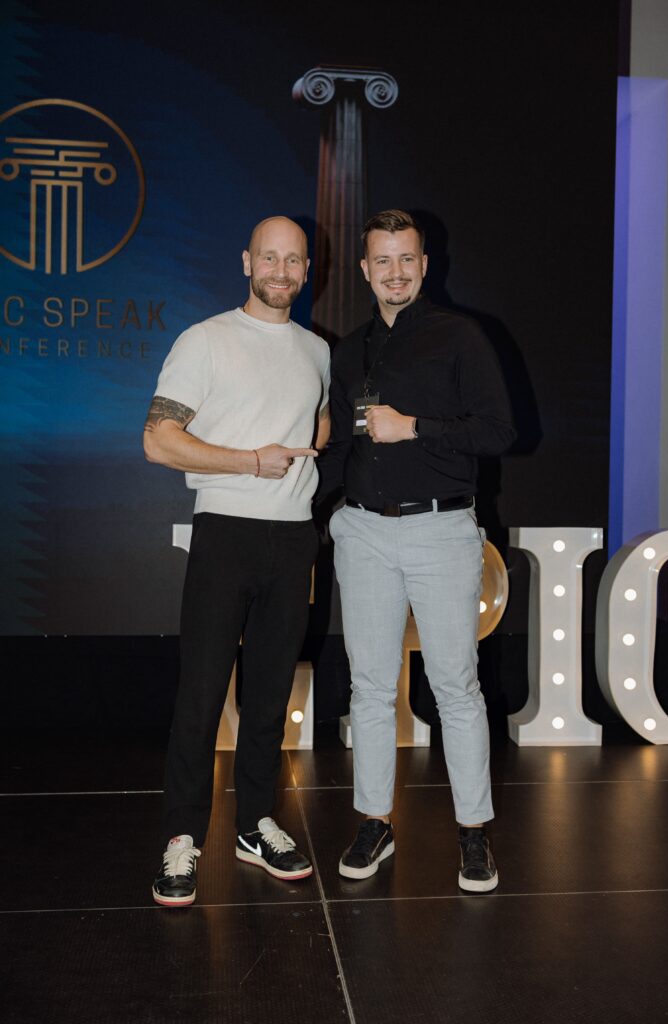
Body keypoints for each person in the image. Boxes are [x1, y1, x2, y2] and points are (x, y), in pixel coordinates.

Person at [321, 209, 515, 892]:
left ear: (424, 265)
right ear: (365, 269)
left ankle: (473, 833)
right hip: (364, 532)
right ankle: (374, 822)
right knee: (370, 689)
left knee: (456, 686)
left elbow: (499, 430)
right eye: (382, 260)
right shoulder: (348, 351)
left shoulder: (460, 336)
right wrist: (305, 503)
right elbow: (340, 448)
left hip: (441, 530)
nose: (395, 272)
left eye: (406, 259)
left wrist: (415, 428)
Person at [143, 216, 330, 906]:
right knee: (200, 695)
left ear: (306, 269)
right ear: (247, 262)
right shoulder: (206, 340)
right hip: (225, 530)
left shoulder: (317, 350)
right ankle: (181, 837)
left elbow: (318, 419)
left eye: (294, 260)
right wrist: (252, 460)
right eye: (269, 258)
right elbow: (158, 440)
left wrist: (308, 441)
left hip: (293, 538)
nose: (281, 271)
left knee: (270, 697)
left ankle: (255, 824)